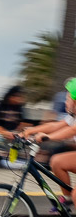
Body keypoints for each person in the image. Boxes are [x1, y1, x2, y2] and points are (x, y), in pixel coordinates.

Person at [29, 77, 76, 206]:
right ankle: (67, 201)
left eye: (68, 98)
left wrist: (49, 137)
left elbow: (72, 131)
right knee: (56, 161)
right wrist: (29, 131)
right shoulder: (73, 117)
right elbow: (54, 126)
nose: (65, 102)